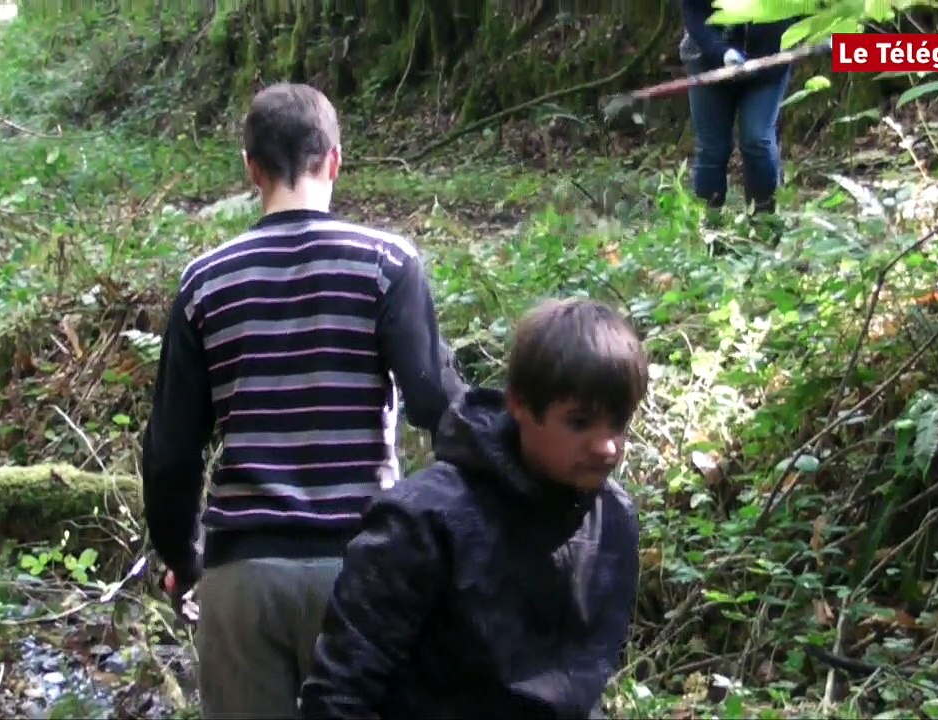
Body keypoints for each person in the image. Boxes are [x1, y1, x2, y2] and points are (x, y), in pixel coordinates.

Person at [140, 82, 466, 719]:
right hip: (361, 570)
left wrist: (184, 557)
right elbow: (437, 403)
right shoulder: (386, 264)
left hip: (242, 576)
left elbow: (171, 451)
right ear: (335, 159)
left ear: (250, 169)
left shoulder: (206, 282)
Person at [299, 297, 649, 719]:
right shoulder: (422, 521)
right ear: (520, 405)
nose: (606, 446)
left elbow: (576, 689)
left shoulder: (612, 520)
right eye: (579, 422)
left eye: (619, 424)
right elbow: (339, 696)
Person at [679, 0, 796, 216]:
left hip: (770, 59)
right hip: (707, 59)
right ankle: (709, 227)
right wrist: (721, 52)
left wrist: (823, 30)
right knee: (712, 148)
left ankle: (764, 227)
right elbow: (692, 10)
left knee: (757, 140)